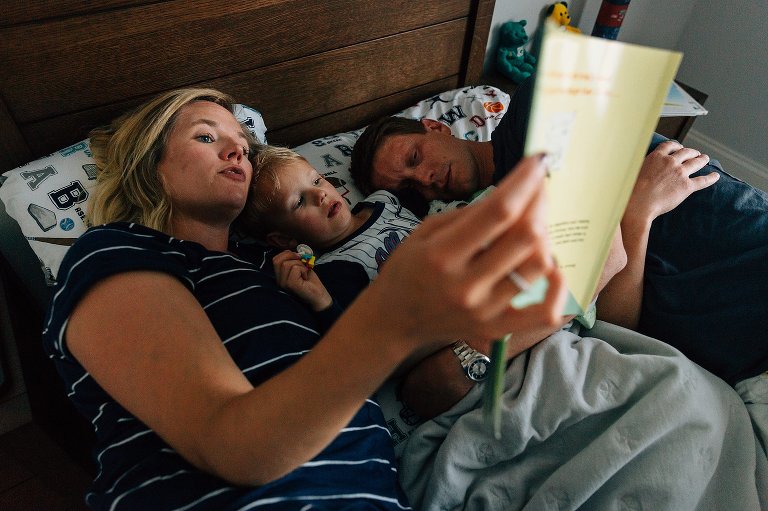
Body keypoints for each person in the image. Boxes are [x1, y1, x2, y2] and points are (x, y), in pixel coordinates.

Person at [41, 87, 572, 510]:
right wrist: (396, 317)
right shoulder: (114, 252)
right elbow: (232, 445)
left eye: (243, 147)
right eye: (206, 138)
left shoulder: (281, 271)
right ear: (149, 163)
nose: (236, 152)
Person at [235, 145, 768, 510]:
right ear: (282, 239)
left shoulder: (423, 211)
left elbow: (608, 326)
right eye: (299, 201)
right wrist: (323, 300)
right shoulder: (334, 274)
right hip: (490, 371)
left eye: (319, 181)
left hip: (569, 349)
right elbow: (386, 365)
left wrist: (630, 222)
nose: (323, 194)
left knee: (700, 409)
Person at [349, 76, 768, 390]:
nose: (425, 178)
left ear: (436, 128)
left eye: (415, 157)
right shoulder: (493, 218)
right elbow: (621, 322)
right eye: (409, 189)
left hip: (746, 248)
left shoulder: (537, 108)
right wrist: (635, 214)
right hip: (728, 358)